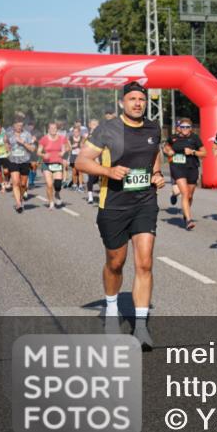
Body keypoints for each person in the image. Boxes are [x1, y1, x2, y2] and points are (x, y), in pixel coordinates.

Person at [75, 82, 165, 351]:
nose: (138, 103)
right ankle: (112, 309)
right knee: (116, 262)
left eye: (141, 99)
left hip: (145, 202)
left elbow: (154, 154)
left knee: (145, 263)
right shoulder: (108, 129)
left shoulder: (153, 128)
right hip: (113, 205)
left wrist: (157, 174)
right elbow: (81, 161)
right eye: (132, 99)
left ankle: (140, 327)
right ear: (122, 103)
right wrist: (108, 171)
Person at [163, 118, 205, 230]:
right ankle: (189, 220)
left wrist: (193, 152)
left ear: (191, 128)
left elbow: (204, 153)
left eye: (187, 127)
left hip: (192, 168)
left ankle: (185, 213)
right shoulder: (173, 137)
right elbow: (166, 147)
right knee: (185, 193)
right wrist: (168, 151)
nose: (185, 129)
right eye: (183, 127)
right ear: (179, 128)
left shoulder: (195, 138)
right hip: (177, 167)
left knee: (190, 196)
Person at [5, 115, 35, 213]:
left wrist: (23, 143)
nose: (19, 127)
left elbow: (32, 148)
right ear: (14, 125)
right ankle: (18, 203)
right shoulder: (9, 134)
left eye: (21, 125)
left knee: (23, 184)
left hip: (25, 161)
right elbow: (6, 142)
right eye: (17, 125)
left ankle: (21, 197)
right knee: (15, 182)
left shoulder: (27, 134)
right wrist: (7, 149)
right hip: (13, 161)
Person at [37, 121, 69, 209]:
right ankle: (51, 202)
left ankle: (57, 193)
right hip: (47, 164)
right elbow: (38, 152)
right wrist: (43, 155)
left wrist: (63, 152)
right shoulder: (44, 139)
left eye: (55, 128)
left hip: (58, 163)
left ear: (57, 129)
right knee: (49, 184)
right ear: (48, 129)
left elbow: (67, 147)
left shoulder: (62, 138)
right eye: (51, 128)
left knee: (58, 184)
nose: (53, 130)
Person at [85, 118, 101, 204]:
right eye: (93, 124)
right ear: (90, 125)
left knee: (100, 178)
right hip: (91, 159)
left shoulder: (101, 134)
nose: (95, 126)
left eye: (96, 124)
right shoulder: (87, 135)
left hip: (101, 158)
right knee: (91, 178)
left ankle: (101, 194)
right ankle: (90, 197)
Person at [68, 125, 84, 191]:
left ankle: (80, 185)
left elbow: (84, 146)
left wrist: (81, 145)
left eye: (77, 132)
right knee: (74, 171)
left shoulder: (82, 138)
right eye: (74, 132)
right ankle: (74, 184)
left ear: (79, 132)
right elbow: (68, 148)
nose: (75, 133)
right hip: (73, 156)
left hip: (80, 156)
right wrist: (73, 146)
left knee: (80, 171)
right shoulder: (70, 138)